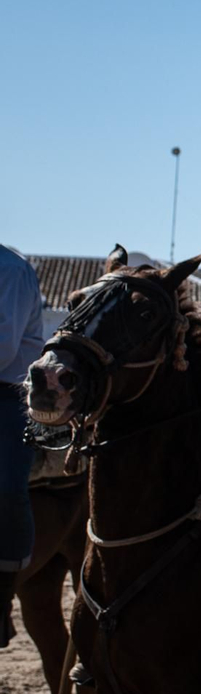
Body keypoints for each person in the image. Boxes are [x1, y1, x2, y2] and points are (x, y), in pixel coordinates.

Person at [0, 244, 44, 648]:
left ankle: (1, 593)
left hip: (6, 394)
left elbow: (3, 350)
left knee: (8, 489)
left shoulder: (10, 270)